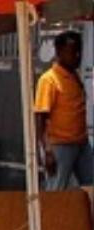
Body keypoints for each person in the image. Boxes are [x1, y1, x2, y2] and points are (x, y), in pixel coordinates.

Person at [35, 31, 91, 190]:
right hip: (60, 145)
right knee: (56, 190)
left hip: (81, 143)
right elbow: (40, 117)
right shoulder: (49, 80)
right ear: (59, 52)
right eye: (72, 52)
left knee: (90, 184)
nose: (77, 56)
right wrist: (46, 151)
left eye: (79, 51)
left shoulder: (74, 77)